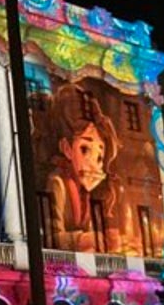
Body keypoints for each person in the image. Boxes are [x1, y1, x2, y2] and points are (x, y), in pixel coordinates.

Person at [44, 83, 124, 252]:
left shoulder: (85, 192)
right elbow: (51, 237)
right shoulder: (57, 183)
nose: (93, 163)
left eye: (100, 157)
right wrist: (88, 239)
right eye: (84, 149)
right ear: (66, 148)